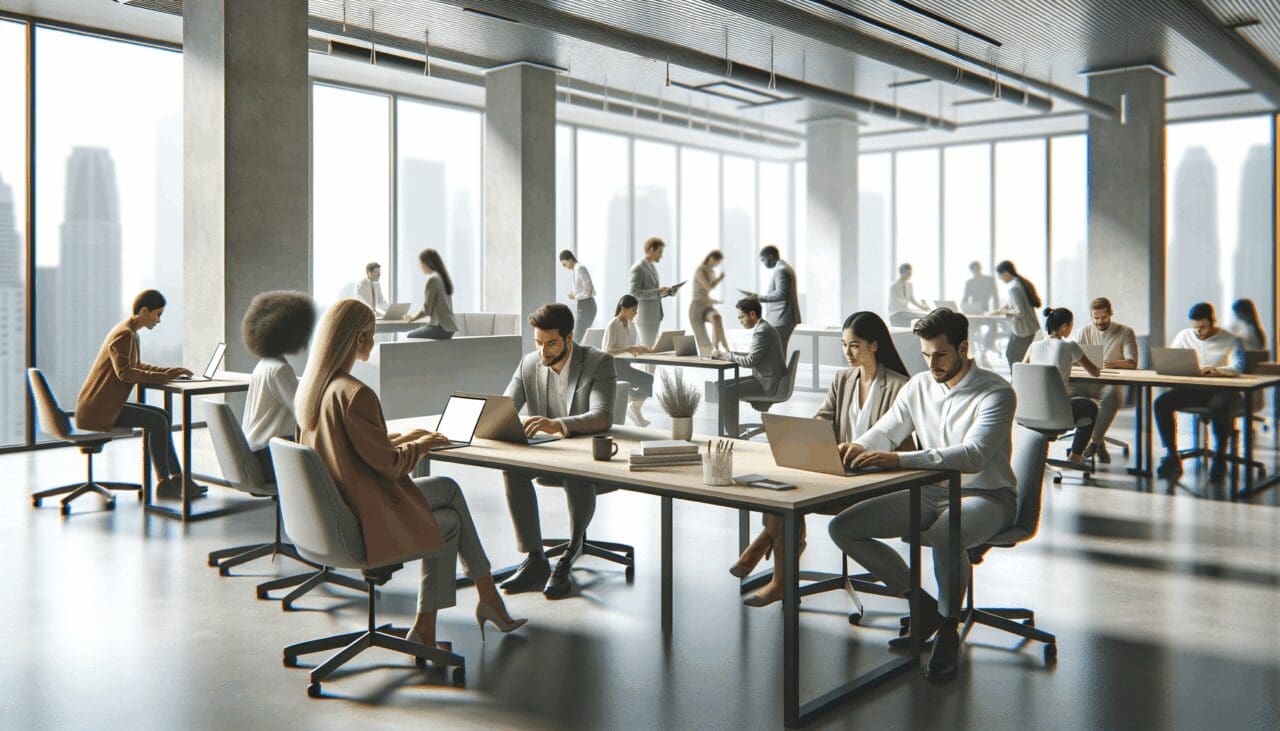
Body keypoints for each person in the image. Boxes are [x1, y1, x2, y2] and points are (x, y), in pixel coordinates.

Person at [294, 299, 525, 650]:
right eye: (371, 335)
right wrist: (424, 446)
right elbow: (390, 465)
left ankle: (434, 624)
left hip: (333, 515)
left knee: (447, 515)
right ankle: (484, 598)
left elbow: (355, 448)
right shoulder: (357, 395)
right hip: (365, 516)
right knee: (448, 503)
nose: (374, 342)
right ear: (358, 339)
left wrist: (412, 437)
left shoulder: (317, 390)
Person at [827, 308, 1017, 682]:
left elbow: (973, 455)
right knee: (844, 528)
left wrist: (897, 460)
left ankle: (948, 626)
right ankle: (921, 605)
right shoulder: (918, 386)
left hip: (988, 495)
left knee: (947, 532)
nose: (932, 364)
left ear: (963, 347)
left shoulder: (996, 392)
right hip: (930, 492)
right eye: (926, 355)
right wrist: (856, 448)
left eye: (941, 355)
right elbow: (885, 432)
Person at [731, 311, 911, 607]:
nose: (847, 353)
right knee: (785, 488)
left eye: (854, 345)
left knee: (792, 502)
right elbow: (822, 419)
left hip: (876, 479)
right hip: (838, 472)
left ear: (874, 346)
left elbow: (902, 444)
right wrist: (813, 437)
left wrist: (866, 455)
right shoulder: (842, 379)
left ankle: (769, 553)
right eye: (843, 345)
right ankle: (778, 578)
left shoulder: (899, 386)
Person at [499, 303, 619, 599]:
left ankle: (569, 552)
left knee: (574, 472)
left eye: (551, 343)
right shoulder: (529, 363)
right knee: (511, 467)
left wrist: (557, 424)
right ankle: (535, 557)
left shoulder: (598, 362)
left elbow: (603, 415)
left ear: (569, 337)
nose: (544, 351)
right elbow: (505, 408)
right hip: (547, 456)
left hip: (588, 457)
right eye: (538, 343)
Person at [75, 289, 196, 499]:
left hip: (102, 405)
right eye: (157, 314)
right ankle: (164, 483)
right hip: (99, 410)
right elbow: (126, 373)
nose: (158, 321)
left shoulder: (129, 332)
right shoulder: (125, 334)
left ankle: (178, 479)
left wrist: (169, 372)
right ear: (144, 311)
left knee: (163, 416)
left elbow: (137, 366)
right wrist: (165, 377)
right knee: (158, 421)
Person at [1154, 302, 1247, 479]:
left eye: (1202, 327)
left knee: (1218, 407)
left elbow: (1238, 366)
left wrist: (1216, 370)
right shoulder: (1185, 335)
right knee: (1161, 403)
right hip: (1193, 389)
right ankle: (1172, 456)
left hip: (1222, 389)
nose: (1198, 332)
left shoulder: (1231, 339)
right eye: (1195, 327)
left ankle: (1219, 458)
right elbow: (1172, 360)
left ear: (1213, 322)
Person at [240, 290, 316, 483]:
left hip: (255, 450)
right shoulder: (281, 370)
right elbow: (304, 412)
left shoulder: (264, 364)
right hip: (270, 454)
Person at [1025, 307, 1101, 464]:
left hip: (1031, 411)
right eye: (1071, 325)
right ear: (1065, 326)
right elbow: (1095, 372)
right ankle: (1076, 455)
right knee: (1091, 407)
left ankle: (1036, 456)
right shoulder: (1070, 346)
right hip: (1057, 412)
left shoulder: (1033, 346)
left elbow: (1021, 372)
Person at [1072, 297, 1138, 462]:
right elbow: (1074, 358)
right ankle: (1099, 441)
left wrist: (1113, 363)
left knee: (1112, 395)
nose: (1099, 321)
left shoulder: (1125, 332)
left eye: (1103, 317)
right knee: (1065, 391)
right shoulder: (1084, 331)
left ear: (1111, 314)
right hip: (1085, 381)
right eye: (1096, 318)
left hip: (1108, 383)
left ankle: (1094, 442)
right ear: (1091, 316)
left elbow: (1132, 363)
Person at [711, 298, 785, 438]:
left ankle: (732, 434)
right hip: (764, 377)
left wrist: (727, 356)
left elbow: (750, 361)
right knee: (719, 384)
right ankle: (732, 428)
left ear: (752, 314)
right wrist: (729, 355)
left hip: (767, 383)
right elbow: (754, 356)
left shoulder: (762, 331)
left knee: (728, 391)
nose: (740, 321)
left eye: (742, 317)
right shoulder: (764, 328)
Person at [603, 294, 654, 427]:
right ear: (624, 309)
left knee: (649, 380)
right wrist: (630, 348)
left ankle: (634, 407)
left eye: (636, 311)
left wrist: (639, 349)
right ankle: (633, 407)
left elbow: (628, 347)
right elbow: (607, 351)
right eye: (633, 310)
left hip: (624, 364)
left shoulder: (630, 324)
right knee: (647, 380)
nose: (635, 313)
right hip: (614, 366)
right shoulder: (613, 324)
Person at [745, 245, 802, 351]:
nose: (763, 264)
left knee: (778, 351)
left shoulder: (781, 270)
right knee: (779, 350)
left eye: (763, 260)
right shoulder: (784, 267)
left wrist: (758, 298)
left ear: (770, 257)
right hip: (784, 318)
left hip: (782, 318)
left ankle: (779, 368)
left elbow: (780, 294)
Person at [628, 236, 674, 348]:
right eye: (660, 252)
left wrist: (667, 293)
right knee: (647, 351)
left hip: (654, 316)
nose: (661, 255)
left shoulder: (652, 267)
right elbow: (633, 292)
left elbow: (653, 292)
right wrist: (657, 292)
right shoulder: (638, 268)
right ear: (651, 249)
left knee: (652, 350)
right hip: (645, 318)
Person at [404, 248, 458, 340]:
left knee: (409, 337)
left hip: (440, 327)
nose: (420, 267)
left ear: (427, 263)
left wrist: (411, 318)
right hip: (450, 328)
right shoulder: (443, 278)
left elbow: (427, 309)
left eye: (421, 263)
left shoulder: (433, 280)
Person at [994, 260, 1041, 366]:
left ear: (1006, 273)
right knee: (1015, 356)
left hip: (1023, 329)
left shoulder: (1013, 288)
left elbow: (1020, 312)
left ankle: (1016, 380)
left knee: (1013, 356)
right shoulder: (1020, 282)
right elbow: (1020, 305)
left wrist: (1005, 313)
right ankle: (1017, 380)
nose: (1000, 279)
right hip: (1027, 328)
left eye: (1000, 277)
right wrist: (1006, 308)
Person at [689, 250, 730, 353]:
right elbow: (707, 286)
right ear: (711, 258)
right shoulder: (700, 269)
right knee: (703, 342)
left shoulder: (711, 271)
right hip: (696, 306)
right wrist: (720, 278)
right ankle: (714, 351)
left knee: (717, 317)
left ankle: (722, 347)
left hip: (706, 304)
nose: (717, 265)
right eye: (717, 262)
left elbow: (711, 287)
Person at [962, 261, 999, 366]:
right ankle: (978, 354)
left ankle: (987, 346)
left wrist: (995, 311)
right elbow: (965, 298)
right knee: (971, 331)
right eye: (973, 270)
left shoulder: (989, 280)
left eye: (977, 269)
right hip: (974, 310)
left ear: (980, 268)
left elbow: (995, 296)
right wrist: (964, 307)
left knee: (993, 326)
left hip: (986, 310)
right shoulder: (969, 282)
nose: (975, 272)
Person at [559, 250, 597, 332]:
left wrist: (575, 296)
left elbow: (589, 289)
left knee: (578, 335)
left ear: (570, 260)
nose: (565, 267)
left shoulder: (580, 268)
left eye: (565, 264)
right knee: (579, 334)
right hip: (583, 305)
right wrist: (574, 294)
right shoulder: (575, 270)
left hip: (588, 305)